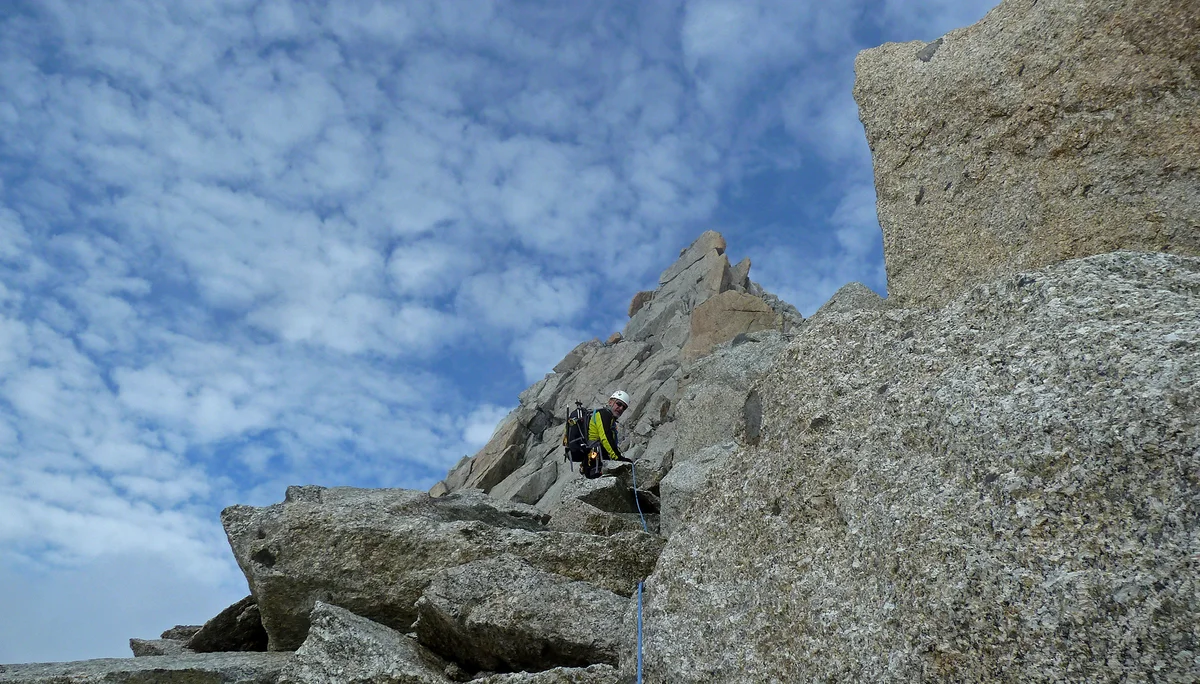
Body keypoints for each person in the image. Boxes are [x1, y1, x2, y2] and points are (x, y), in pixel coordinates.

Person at [588, 390, 631, 462]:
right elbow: (605, 437)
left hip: (597, 458)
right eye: (619, 404)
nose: (621, 408)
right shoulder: (604, 414)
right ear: (610, 402)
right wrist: (617, 457)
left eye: (624, 407)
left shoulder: (610, 418)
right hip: (596, 459)